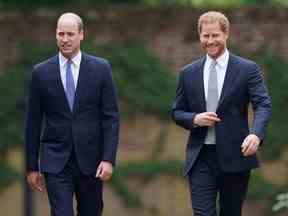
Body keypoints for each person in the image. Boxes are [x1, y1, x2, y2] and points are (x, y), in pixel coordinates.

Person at [172, 11, 271, 216]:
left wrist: (256, 134)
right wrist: (194, 119)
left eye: (215, 35)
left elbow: (263, 105)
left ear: (226, 34)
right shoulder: (188, 73)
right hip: (201, 157)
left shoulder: (247, 69)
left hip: (236, 155)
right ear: (200, 37)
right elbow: (177, 112)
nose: (210, 40)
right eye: (205, 36)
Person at [25, 12, 119, 216]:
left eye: (70, 34)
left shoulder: (101, 69)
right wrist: (31, 167)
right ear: (55, 35)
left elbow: (110, 117)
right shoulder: (40, 73)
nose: (65, 39)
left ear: (81, 35)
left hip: (92, 161)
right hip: (55, 160)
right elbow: (33, 122)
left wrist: (108, 159)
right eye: (60, 34)